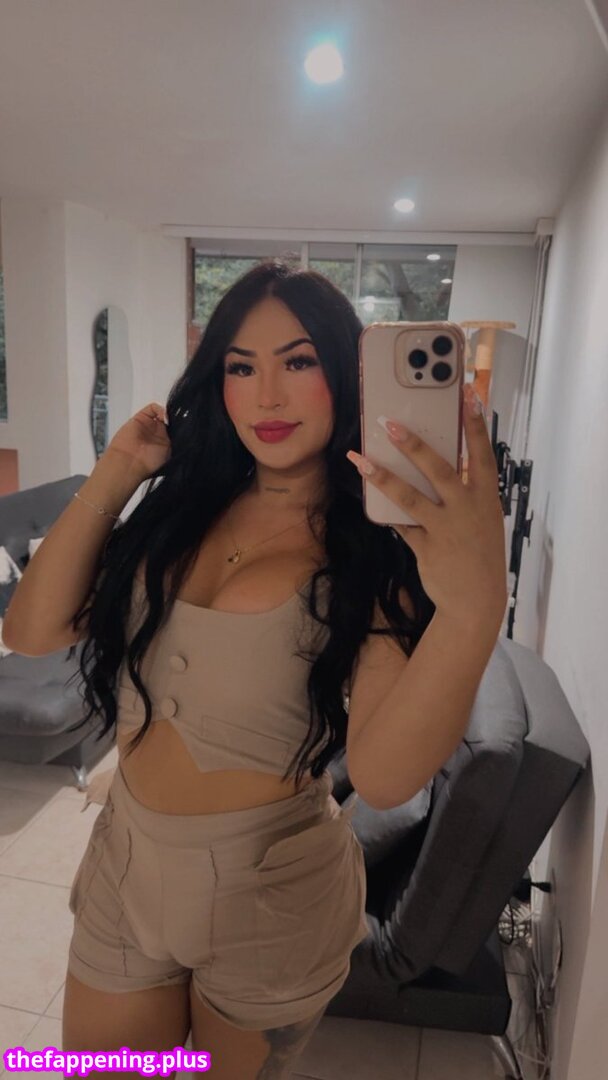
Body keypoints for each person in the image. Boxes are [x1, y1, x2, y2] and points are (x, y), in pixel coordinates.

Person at [5, 259, 507, 1080]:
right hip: (126, 866)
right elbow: (29, 631)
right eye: (241, 367)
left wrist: (474, 608)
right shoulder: (180, 507)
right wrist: (120, 468)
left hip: (269, 899)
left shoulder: (375, 548)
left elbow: (385, 776)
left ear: (345, 373)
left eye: (298, 361)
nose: (266, 396)